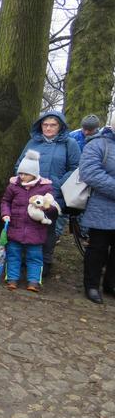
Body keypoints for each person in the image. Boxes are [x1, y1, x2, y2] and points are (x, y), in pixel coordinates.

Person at [14, 111, 80, 276]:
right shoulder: (33, 142)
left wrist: (58, 183)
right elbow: (19, 165)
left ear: (60, 127)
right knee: (26, 224)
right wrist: (25, 182)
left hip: (54, 194)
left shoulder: (69, 144)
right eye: (45, 125)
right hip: (29, 192)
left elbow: (76, 168)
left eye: (53, 125)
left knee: (48, 229)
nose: (48, 128)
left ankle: (45, 261)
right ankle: (24, 259)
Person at [0, 150, 58, 292]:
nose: (22, 176)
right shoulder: (13, 186)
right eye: (20, 173)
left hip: (36, 231)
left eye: (25, 174)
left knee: (35, 257)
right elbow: (5, 201)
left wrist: (46, 207)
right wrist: (6, 214)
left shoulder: (46, 188)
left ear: (34, 174)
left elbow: (52, 208)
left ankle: (33, 281)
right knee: (13, 255)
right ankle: (12, 278)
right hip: (15, 228)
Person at [78, 118, 115, 304]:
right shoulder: (98, 145)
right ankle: (91, 285)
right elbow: (90, 172)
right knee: (98, 248)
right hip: (102, 207)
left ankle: (111, 284)